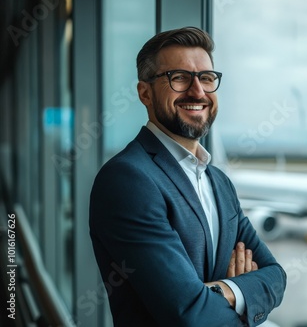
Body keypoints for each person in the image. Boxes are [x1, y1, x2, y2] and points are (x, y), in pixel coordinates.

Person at [89, 26, 286, 327]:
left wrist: (222, 291)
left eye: (206, 78)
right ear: (145, 93)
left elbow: (275, 275)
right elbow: (190, 316)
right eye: (179, 78)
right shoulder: (128, 179)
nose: (198, 92)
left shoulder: (219, 182)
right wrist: (243, 295)